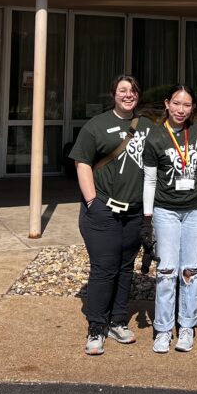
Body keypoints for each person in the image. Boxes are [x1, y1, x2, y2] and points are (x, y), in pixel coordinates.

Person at [71, 75, 149, 356]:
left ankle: (117, 321)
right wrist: (92, 201)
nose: (128, 95)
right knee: (104, 268)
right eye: (122, 90)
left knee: (125, 267)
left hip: (133, 212)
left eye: (133, 90)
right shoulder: (97, 125)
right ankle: (96, 326)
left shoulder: (146, 126)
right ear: (113, 94)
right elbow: (82, 163)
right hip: (103, 209)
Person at [142, 84, 197, 354]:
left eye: (187, 105)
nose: (181, 109)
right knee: (167, 270)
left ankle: (186, 326)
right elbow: (149, 180)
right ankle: (162, 328)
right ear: (167, 104)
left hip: (196, 210)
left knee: (191, 269)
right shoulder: (155, 137)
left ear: (193, 108)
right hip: (166, 210)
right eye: (177, 103)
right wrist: (147, 217)